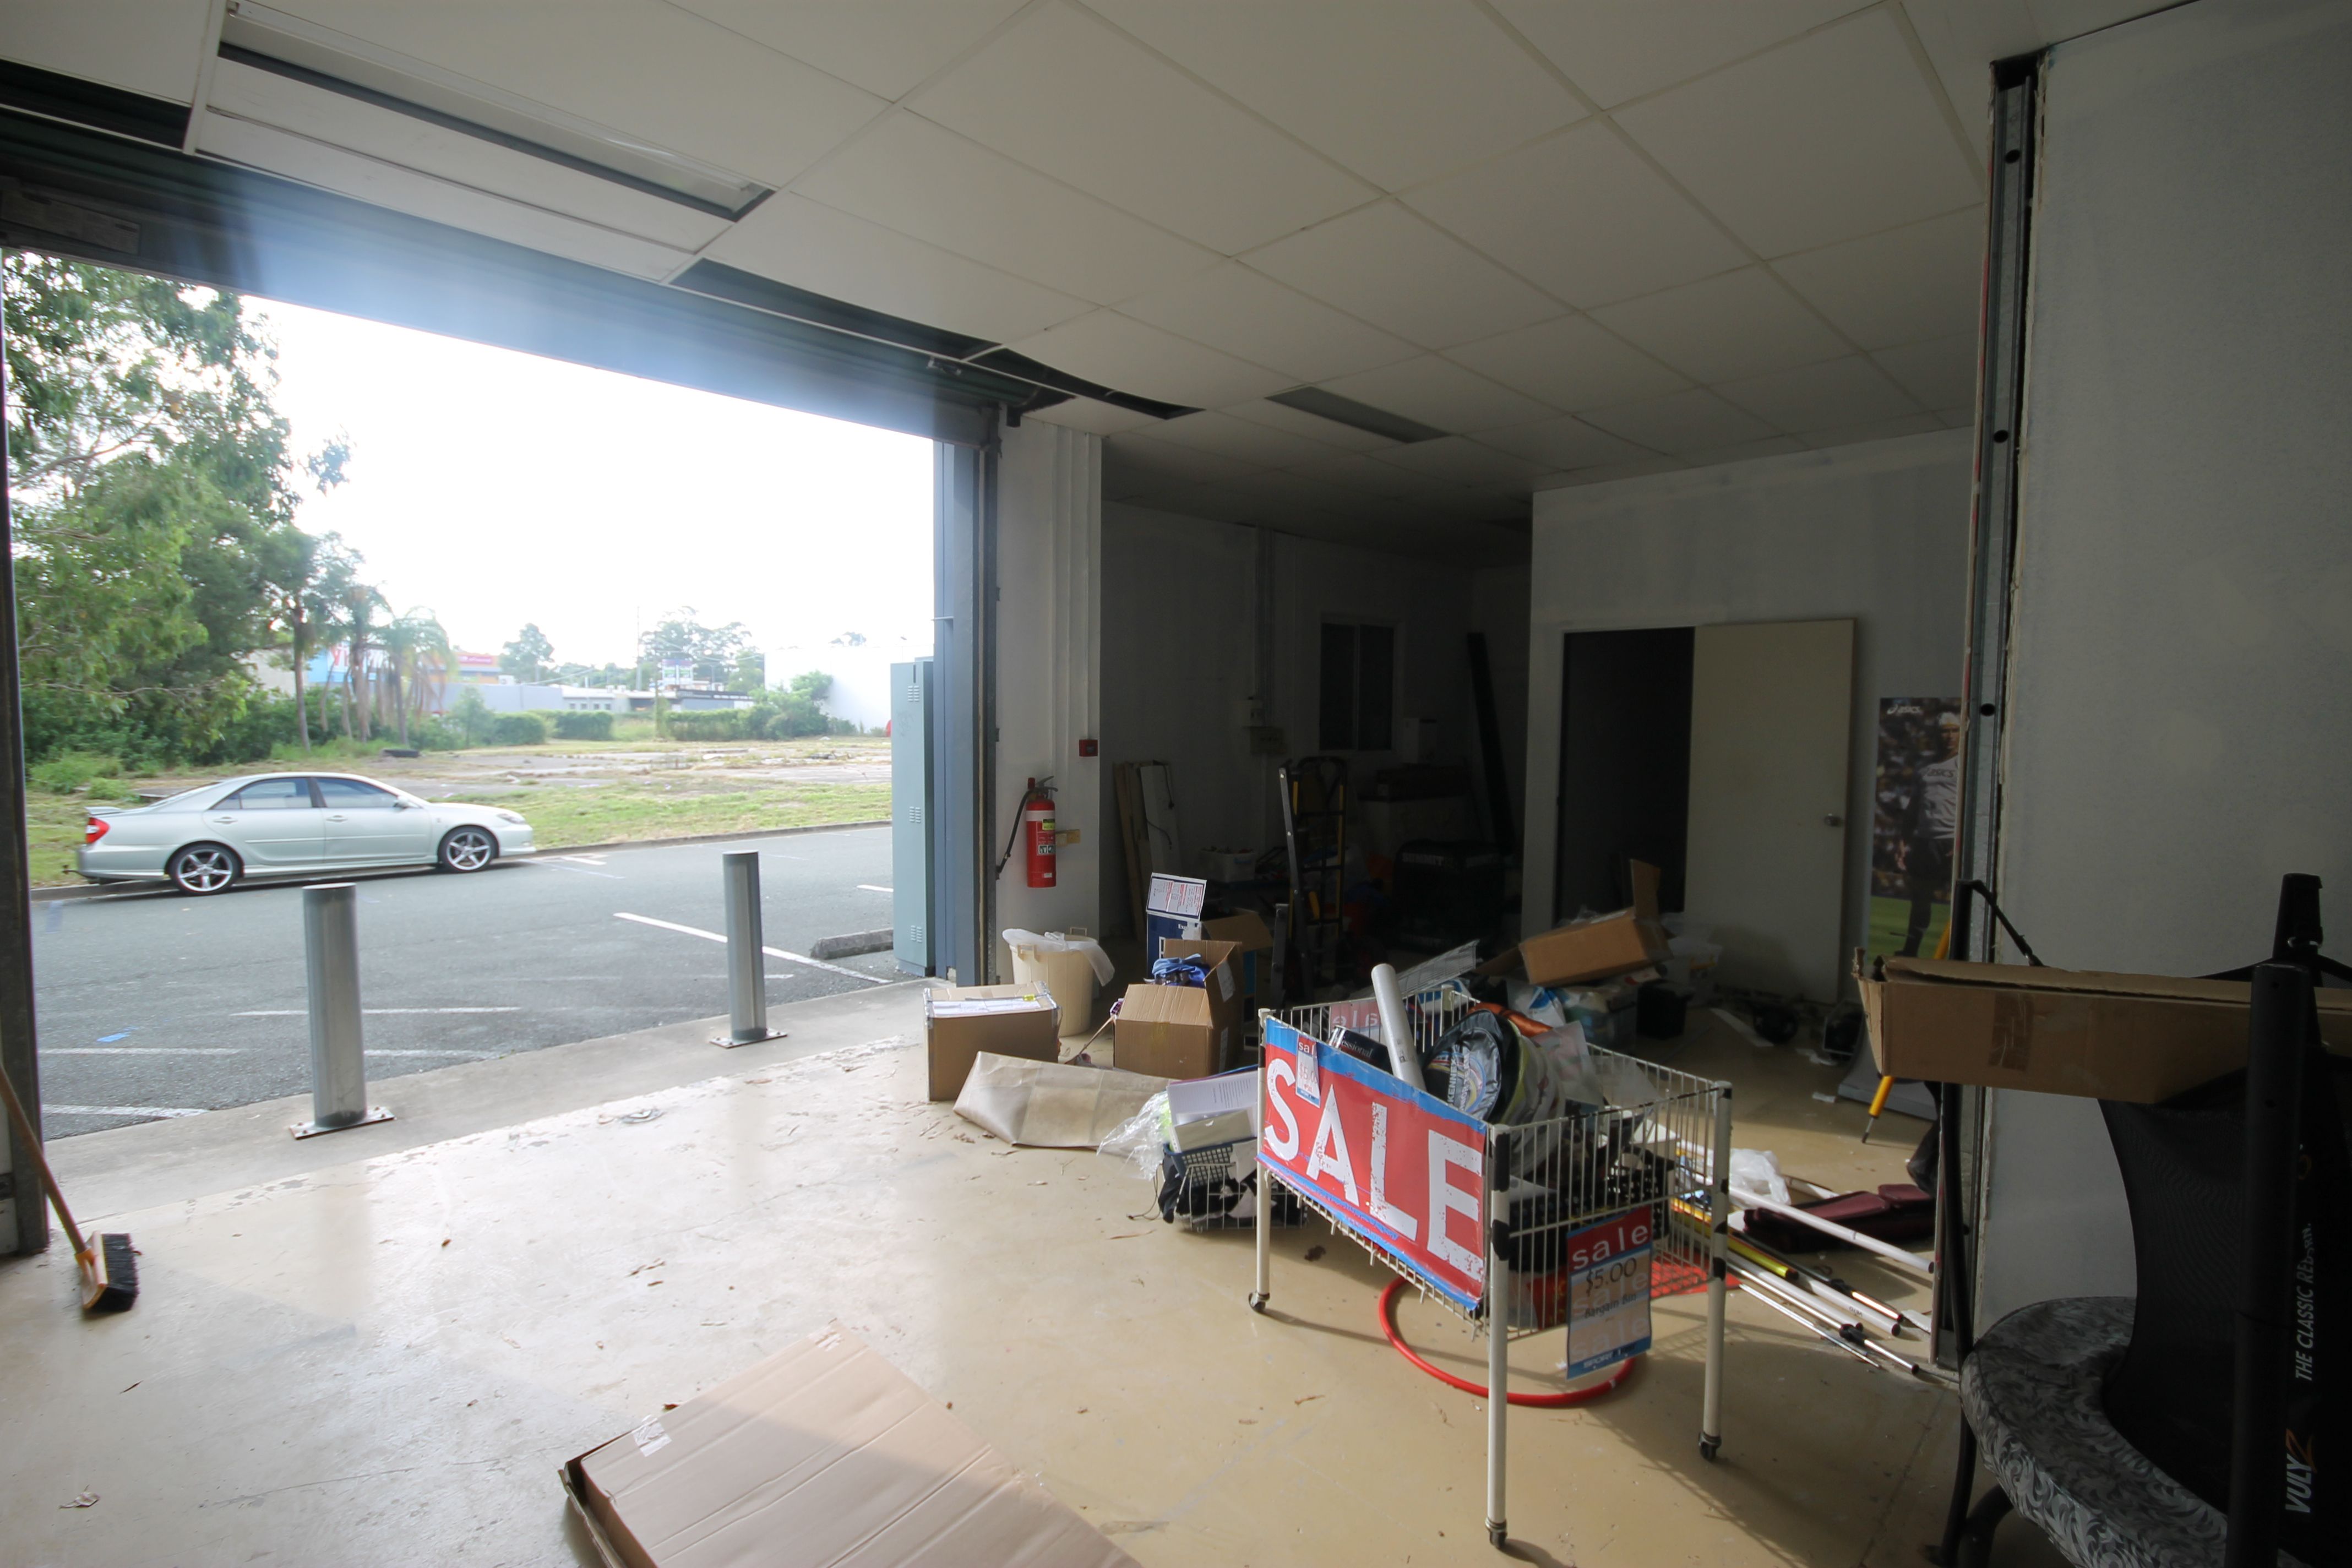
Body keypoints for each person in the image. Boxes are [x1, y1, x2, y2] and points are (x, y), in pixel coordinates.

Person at [1894, 710, 1962, 956]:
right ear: (1936, 734)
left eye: (1954, 731)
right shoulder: (1924, 767)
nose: (1950, 736)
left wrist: (1962, 840)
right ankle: (1910, 951)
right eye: (1945, 731)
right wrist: (1903, 840)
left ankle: (1958, 954)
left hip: (1952, 840)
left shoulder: (1965, 764)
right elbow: (1913, 808)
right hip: (1925, 841)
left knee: (1960, 900)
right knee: (1920, 900)